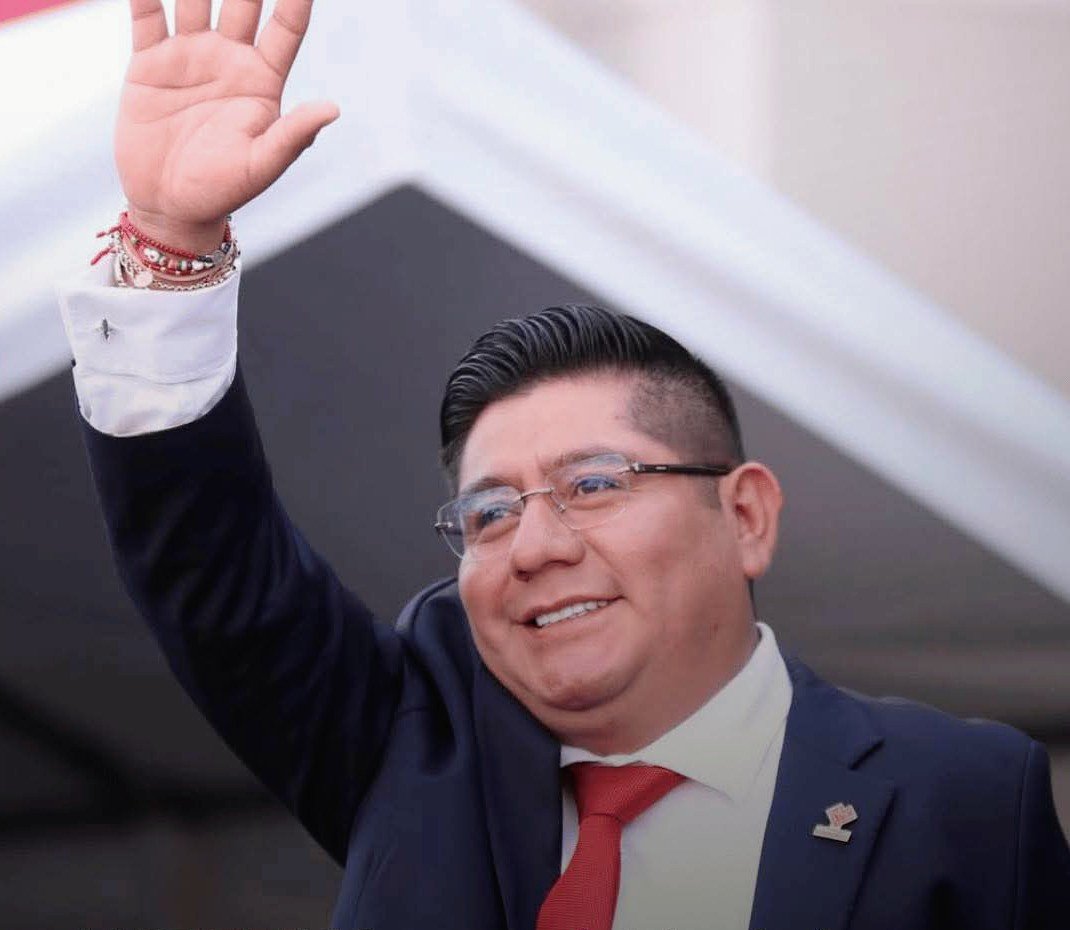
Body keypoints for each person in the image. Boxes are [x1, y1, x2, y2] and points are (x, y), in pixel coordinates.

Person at [60, 1, 1070, 927]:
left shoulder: (961, 797)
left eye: (592, 485)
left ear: (746, 516)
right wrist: (172, 241)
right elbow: (215, 568)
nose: (534, 546)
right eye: (489, 512)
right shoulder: (415, 744)